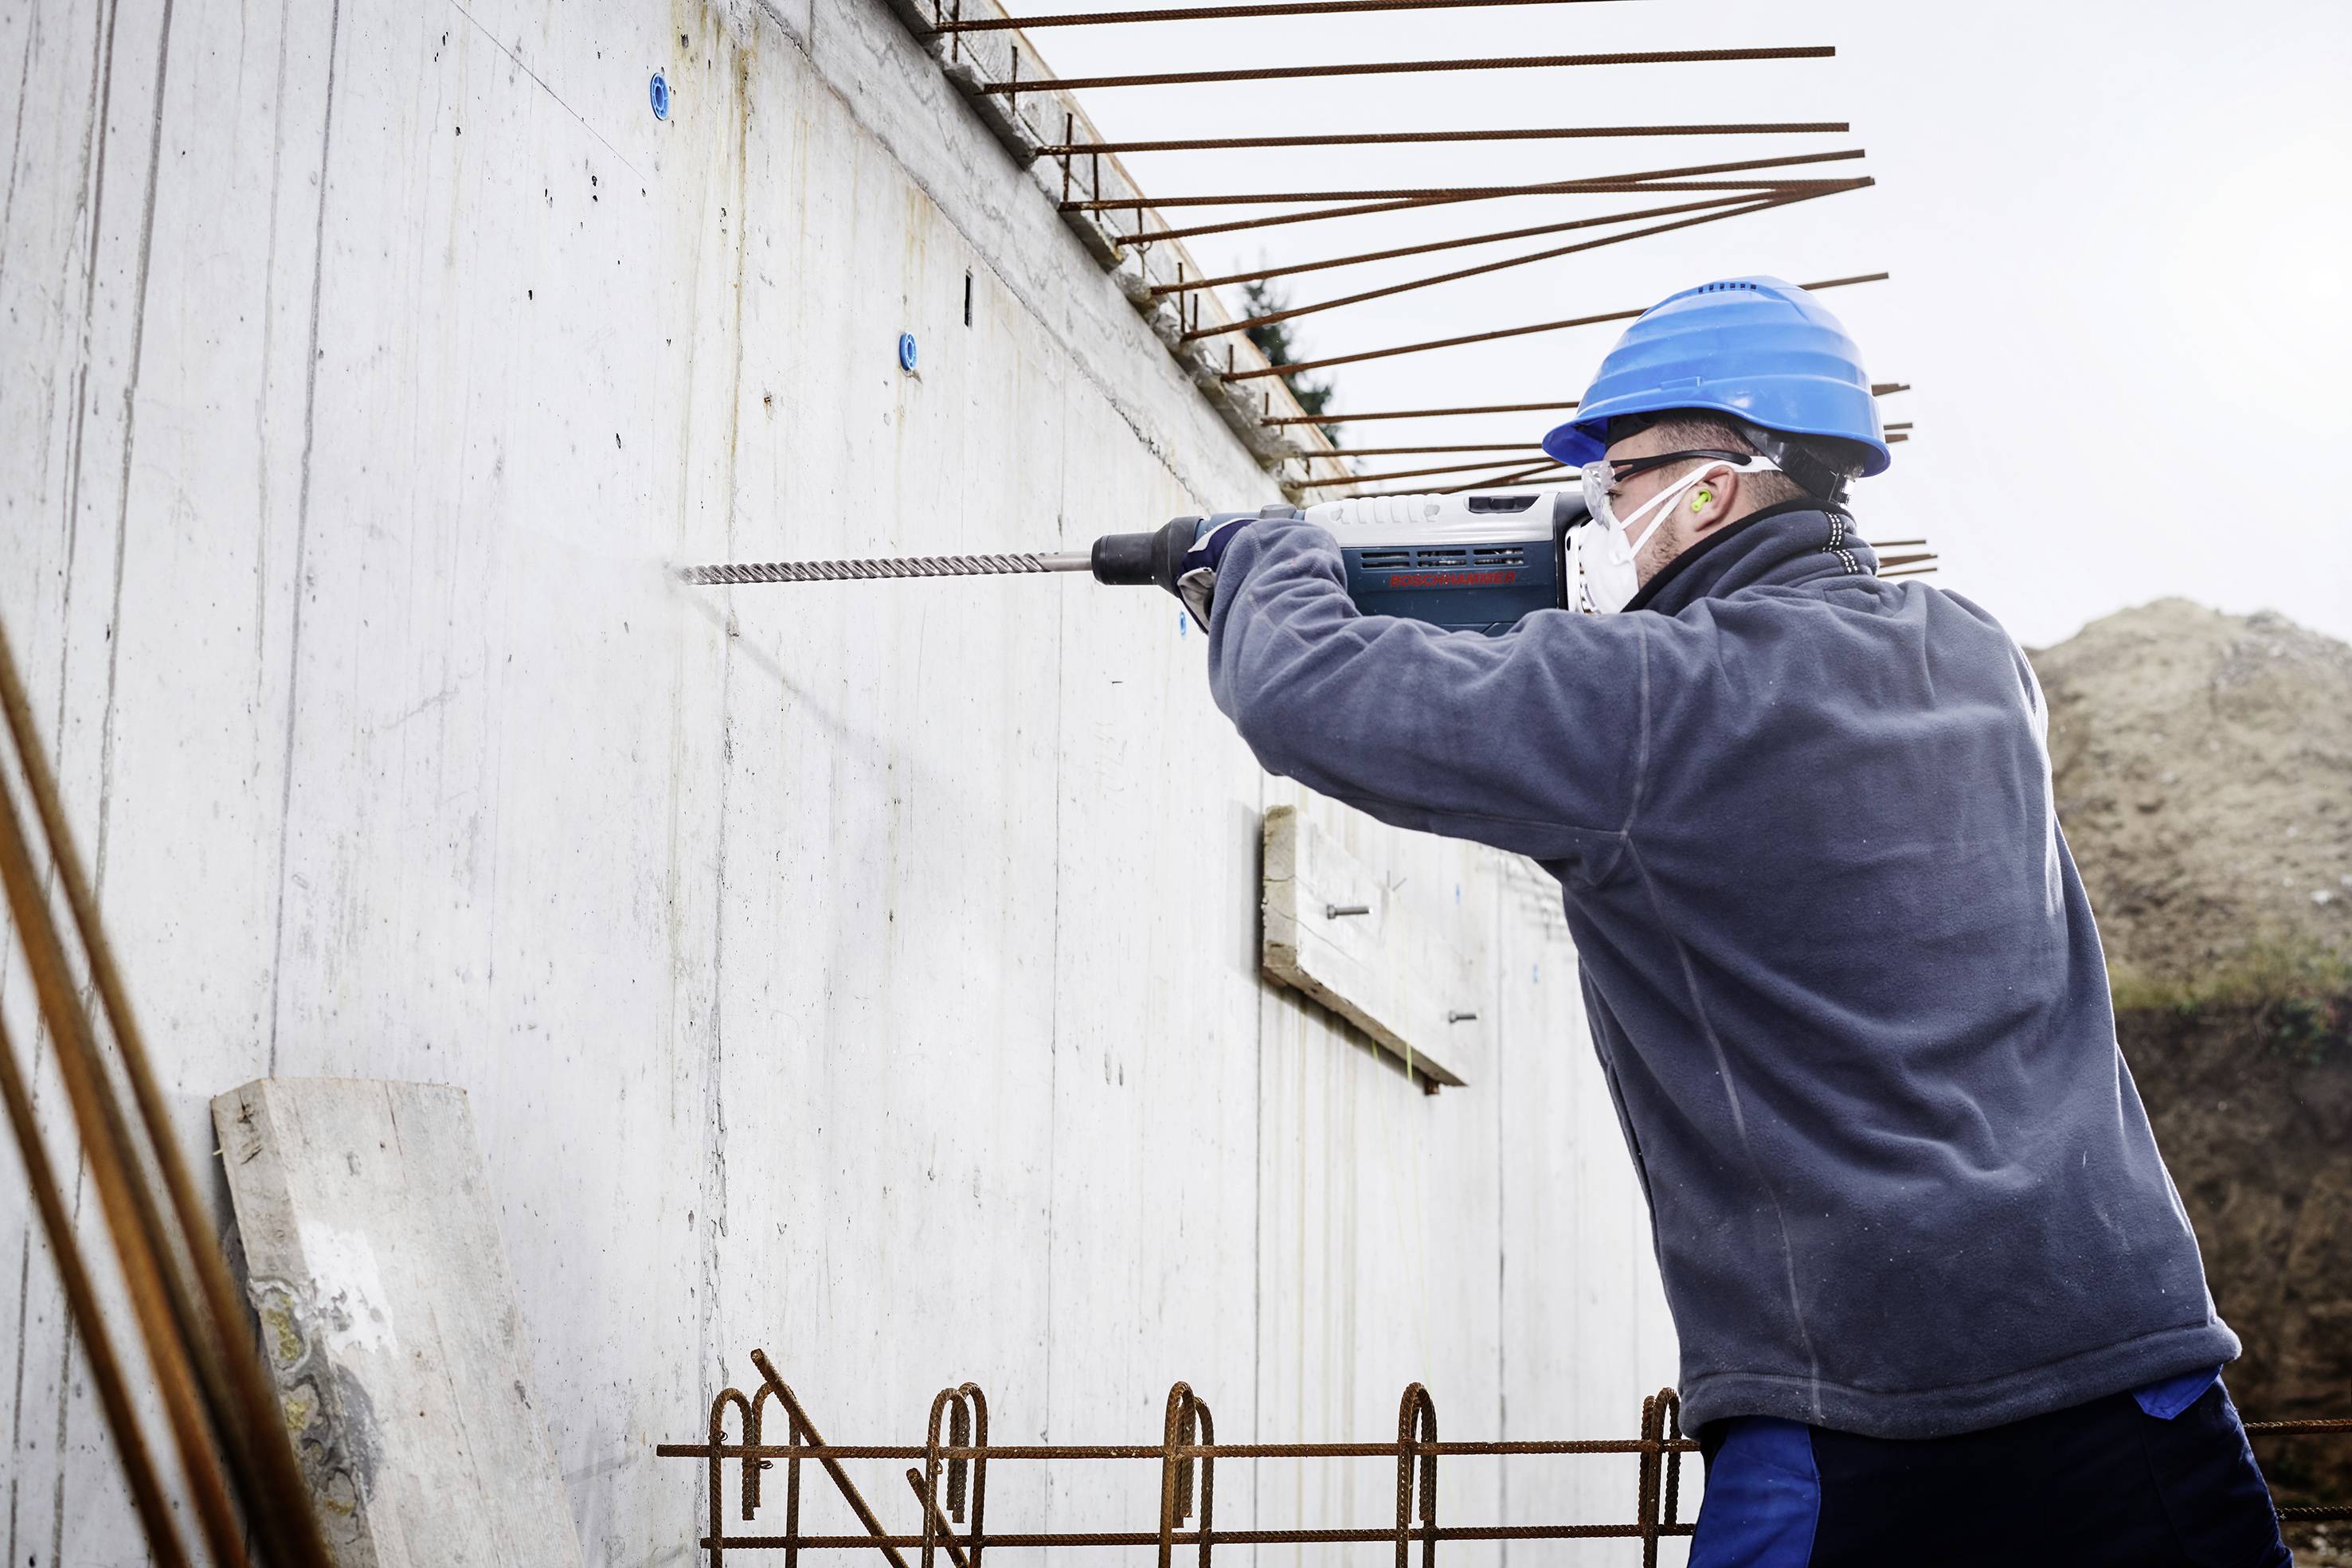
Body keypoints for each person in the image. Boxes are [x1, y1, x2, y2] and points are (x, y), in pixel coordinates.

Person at [1180, 277, 2291, 1566]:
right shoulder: (1977, 661)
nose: (1600, 515)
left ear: (1711, 485)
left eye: (1618, 478)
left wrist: (1261, 558)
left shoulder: (1650, 703)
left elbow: (1309, 690)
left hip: (1857, 1413)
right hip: (2137, 1368)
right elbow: (1741, 726)